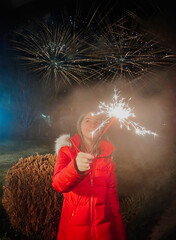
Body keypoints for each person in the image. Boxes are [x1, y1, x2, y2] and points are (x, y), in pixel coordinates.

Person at [52, 112, 126, 240]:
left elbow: (112, 197)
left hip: (104, 231)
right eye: (87, 120)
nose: (93, 124)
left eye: (97, 121)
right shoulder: (67, 151)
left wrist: (120, 233)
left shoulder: (107, 154)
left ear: (102, 126)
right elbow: (58, 185)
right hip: (74, 230)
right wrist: (75, 168)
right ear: (79, 125)